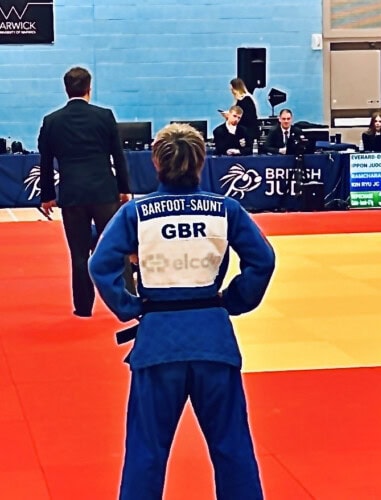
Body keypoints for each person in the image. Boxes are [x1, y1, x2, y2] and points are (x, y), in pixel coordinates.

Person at [88, 122, 275, 499]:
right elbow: (262, 261)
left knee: (146, 452)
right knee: (232, 448)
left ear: (156, 162)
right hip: (213, 338)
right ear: (201, 162)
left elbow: (100, 265)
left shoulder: (136, 213)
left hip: (158, 341)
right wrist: (232, 301)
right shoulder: (225, 210)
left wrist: (131, 307)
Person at [38, 66, 132, 317]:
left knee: (79, 254)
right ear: (89, 89)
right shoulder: (104, 116)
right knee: (115, 248)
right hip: (104, 192)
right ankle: (125, 301)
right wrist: (124, 189)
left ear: (66, 89)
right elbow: (118, 157)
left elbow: (45, 162)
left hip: (73, 195)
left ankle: (83, 307)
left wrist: (47, 196)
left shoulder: (52, 121)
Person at [221, 78, 259, 142]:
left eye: (232, 89)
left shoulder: (246, 100)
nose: (231, 91)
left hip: (247, 132)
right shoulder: (239, 101)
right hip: (242, 130)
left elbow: (248, 118)